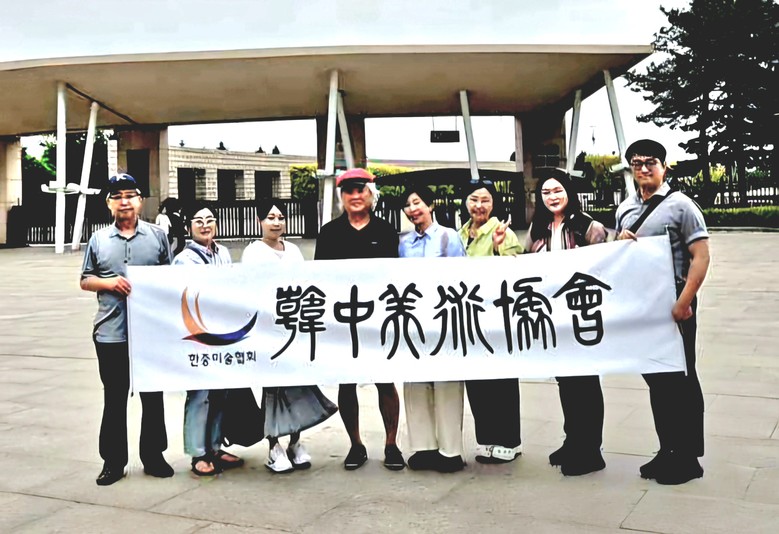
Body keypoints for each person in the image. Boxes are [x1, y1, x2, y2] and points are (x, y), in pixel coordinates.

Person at [616, 139, 710, 485]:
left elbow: (701, 256)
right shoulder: (625, 209)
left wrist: (684, 302)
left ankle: (688, 456)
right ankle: (667, 448)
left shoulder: (681, 205)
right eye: (636, 163)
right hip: (644, 305)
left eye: (650, 162)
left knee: (682, 378)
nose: (643, 168)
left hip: (676, 304)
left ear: (664, 167)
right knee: (656, 377)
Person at [80, 173, 174, 486]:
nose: (124, 202)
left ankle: (154, 455)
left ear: (140, 201)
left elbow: (169, 278)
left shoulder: (157, 236)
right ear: (109, 203)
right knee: (115, 397)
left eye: (130, 195)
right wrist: (109, 283)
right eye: (117, 196)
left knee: (153, 395)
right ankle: (113, 461)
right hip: (111, 332)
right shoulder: (98, 240)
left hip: (150, 332)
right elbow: (85, 279)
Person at [314, 168, 405, 471]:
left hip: (378, 319)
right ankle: (355, 445)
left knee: (385, 382)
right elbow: (319, 279)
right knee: (347, 383)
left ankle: (391, 444)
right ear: (341, 197)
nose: (355, 196)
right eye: (348, 191)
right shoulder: (329, 233)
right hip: (342, 321)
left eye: (360, 190)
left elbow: (395, 276)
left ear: (371, 195)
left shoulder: (386, 231)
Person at [242, 198, 337, 474]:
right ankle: (274, 445)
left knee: (298, 384)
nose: (276, 222)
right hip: (269, 330)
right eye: (270, 217)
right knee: (273, 389)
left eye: (280, 217)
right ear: (260, 221)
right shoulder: (253, 252)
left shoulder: (294, 250)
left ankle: (296, 441)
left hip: (295, 327)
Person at [524, 170, 609, 476]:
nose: (552, 197)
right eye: (546, 192)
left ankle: (591, 450)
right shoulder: (538, 228)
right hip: (553, 318)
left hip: (582, 315)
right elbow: (525, 264)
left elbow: (605, 266)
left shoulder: (589, 227)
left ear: (569, 192)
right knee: (566, 381)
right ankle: (572, 439)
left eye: (557, 190)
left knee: (586, 382)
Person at [399, 185, 468, 472]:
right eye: (407, 205)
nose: (412, 209)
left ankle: (450, 451)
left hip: (444, 318)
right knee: (416, 384)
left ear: (430, 205)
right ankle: (423, 447)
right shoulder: (404, 243)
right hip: (413, 320)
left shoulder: (448, 236)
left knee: (447, 383)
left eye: (417, 202)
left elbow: (464, 276)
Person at [172, 202, 244, 476]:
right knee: (200, 393)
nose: (205, 225)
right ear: (189, 226)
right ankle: (197, 453)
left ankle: (215, 446)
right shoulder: (184, 259)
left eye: (210, 219)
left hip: (223, 332)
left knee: (220, 391)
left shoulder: (222, 252)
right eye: (198, 221)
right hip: (198, 334)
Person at [457, 180, 524, 464]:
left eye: (485, 200)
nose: (479, 205)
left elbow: (517, 271)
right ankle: (486, 438)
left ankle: (509, 440)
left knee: (501, 380)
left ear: (494, 204)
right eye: (474, 199)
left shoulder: (502, 232)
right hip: (468, 318)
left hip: (497, 319)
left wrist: (497, 248)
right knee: (476, 381)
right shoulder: (459, 234)